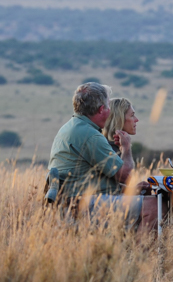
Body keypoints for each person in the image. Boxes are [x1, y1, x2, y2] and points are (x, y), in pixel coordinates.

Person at [48, 82, 145, 229]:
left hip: (74, 200)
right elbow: (125, 175)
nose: (109, 110)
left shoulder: (71, 127)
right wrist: (126, 148)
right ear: (101, 110)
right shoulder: (90, 136)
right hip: (84, 203)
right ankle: (141, 250)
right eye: (107, 106)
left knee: (145, 200)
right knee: (153, 205)